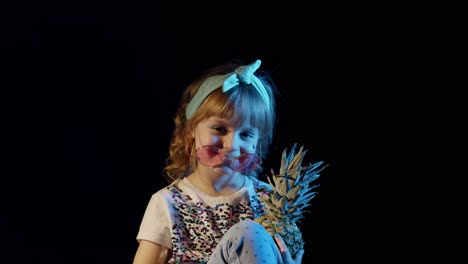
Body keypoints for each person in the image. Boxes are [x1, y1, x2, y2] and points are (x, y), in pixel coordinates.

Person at [133, 59, 304, 264]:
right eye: (220, 129)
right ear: (191, 131)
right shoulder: (168, 203)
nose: (232, 145)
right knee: (249, 231)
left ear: (257, 142)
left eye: (247, 134)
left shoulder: (269, 202)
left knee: (251, 233)